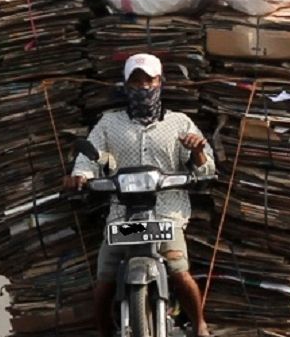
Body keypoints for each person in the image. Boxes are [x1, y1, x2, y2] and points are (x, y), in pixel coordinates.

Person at [65, 53, 215, 337]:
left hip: (166, 215)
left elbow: (206, 166)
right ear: (125, 85)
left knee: (180, 271)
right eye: (136, 81)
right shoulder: (109, 124)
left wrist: (197, 151)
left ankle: (200, 325)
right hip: (123, 217)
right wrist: (81, 178)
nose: (143, 87)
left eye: (149, 80)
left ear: (161, 82)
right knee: (105, 279)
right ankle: (103, 329)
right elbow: (89, 160)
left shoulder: (179, 123)